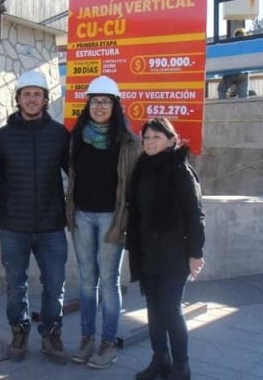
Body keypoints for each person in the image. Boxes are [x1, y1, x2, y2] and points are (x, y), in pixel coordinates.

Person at [0, 70, 71, 364]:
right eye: (27, 94)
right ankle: (19, 332)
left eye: (37, 94)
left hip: (51, 226)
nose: (32, 99)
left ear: (46, 99)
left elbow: (79, 173)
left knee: (55, 284)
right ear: (18, 99)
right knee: (16, 285)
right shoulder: (3, 137)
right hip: (13, 225)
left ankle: (51, 334)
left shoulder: (60, 134)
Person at [66, 75, 141, 369]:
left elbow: (133, 185)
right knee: (86, 281)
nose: (99, 106)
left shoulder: (127, 142)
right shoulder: (77, 136)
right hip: (82, 216)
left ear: (115, 105)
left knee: (108, 283)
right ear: (88, 105)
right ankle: (87, 339)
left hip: (112, 218)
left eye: (105, 101)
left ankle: (108, 343)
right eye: (95, 101)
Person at [126, 117, 205, 380]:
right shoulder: (142, 168)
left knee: (170, 309)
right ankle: (160, 359)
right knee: (153, 309)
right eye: (146, 137)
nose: (149, 142)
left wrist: (196, 253)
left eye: (156, 137)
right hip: (148, 251)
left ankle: (182, 366)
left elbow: (195, 215)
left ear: (171, 140)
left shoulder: (181, 171)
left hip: (175, 254)